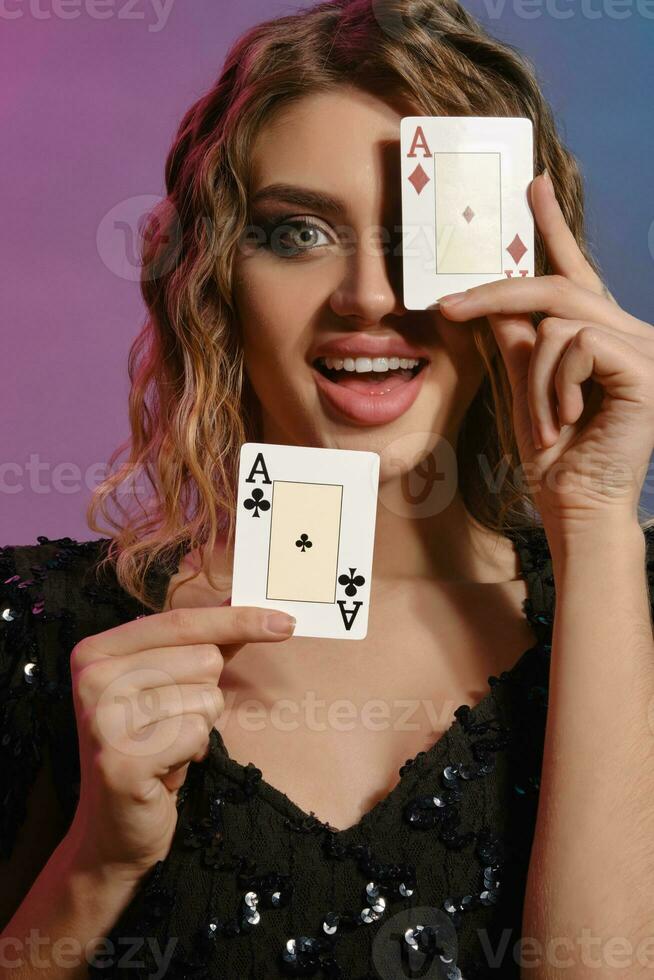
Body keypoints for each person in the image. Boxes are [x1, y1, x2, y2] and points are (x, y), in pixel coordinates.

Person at [2, 0, 653, 977]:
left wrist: (597, 522)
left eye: (423, 234)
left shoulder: (630, 610)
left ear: (526, 264)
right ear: (217, 276)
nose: (368, 296)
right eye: (297, 232)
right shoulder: (44, 628)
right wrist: (97, 863)